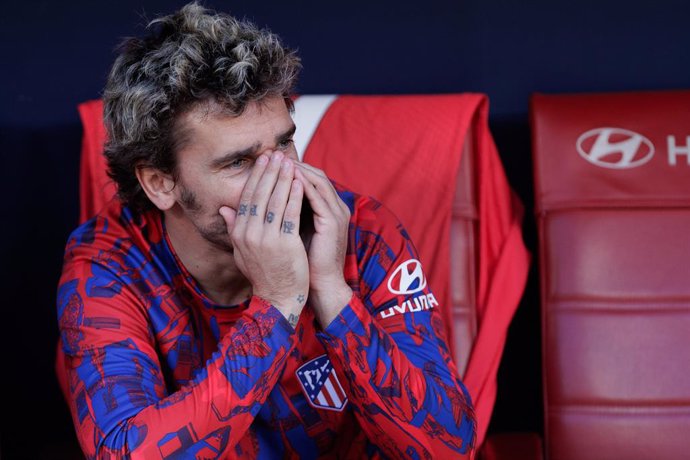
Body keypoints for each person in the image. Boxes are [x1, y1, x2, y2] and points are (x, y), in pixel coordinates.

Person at [56, 2, 476, 458]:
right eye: (238, 162)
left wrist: (332, 291)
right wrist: (276, 304)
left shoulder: (359, 229)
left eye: (284, 143)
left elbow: (451, 448)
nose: (283, 177)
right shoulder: (109, 265)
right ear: (160, 183)